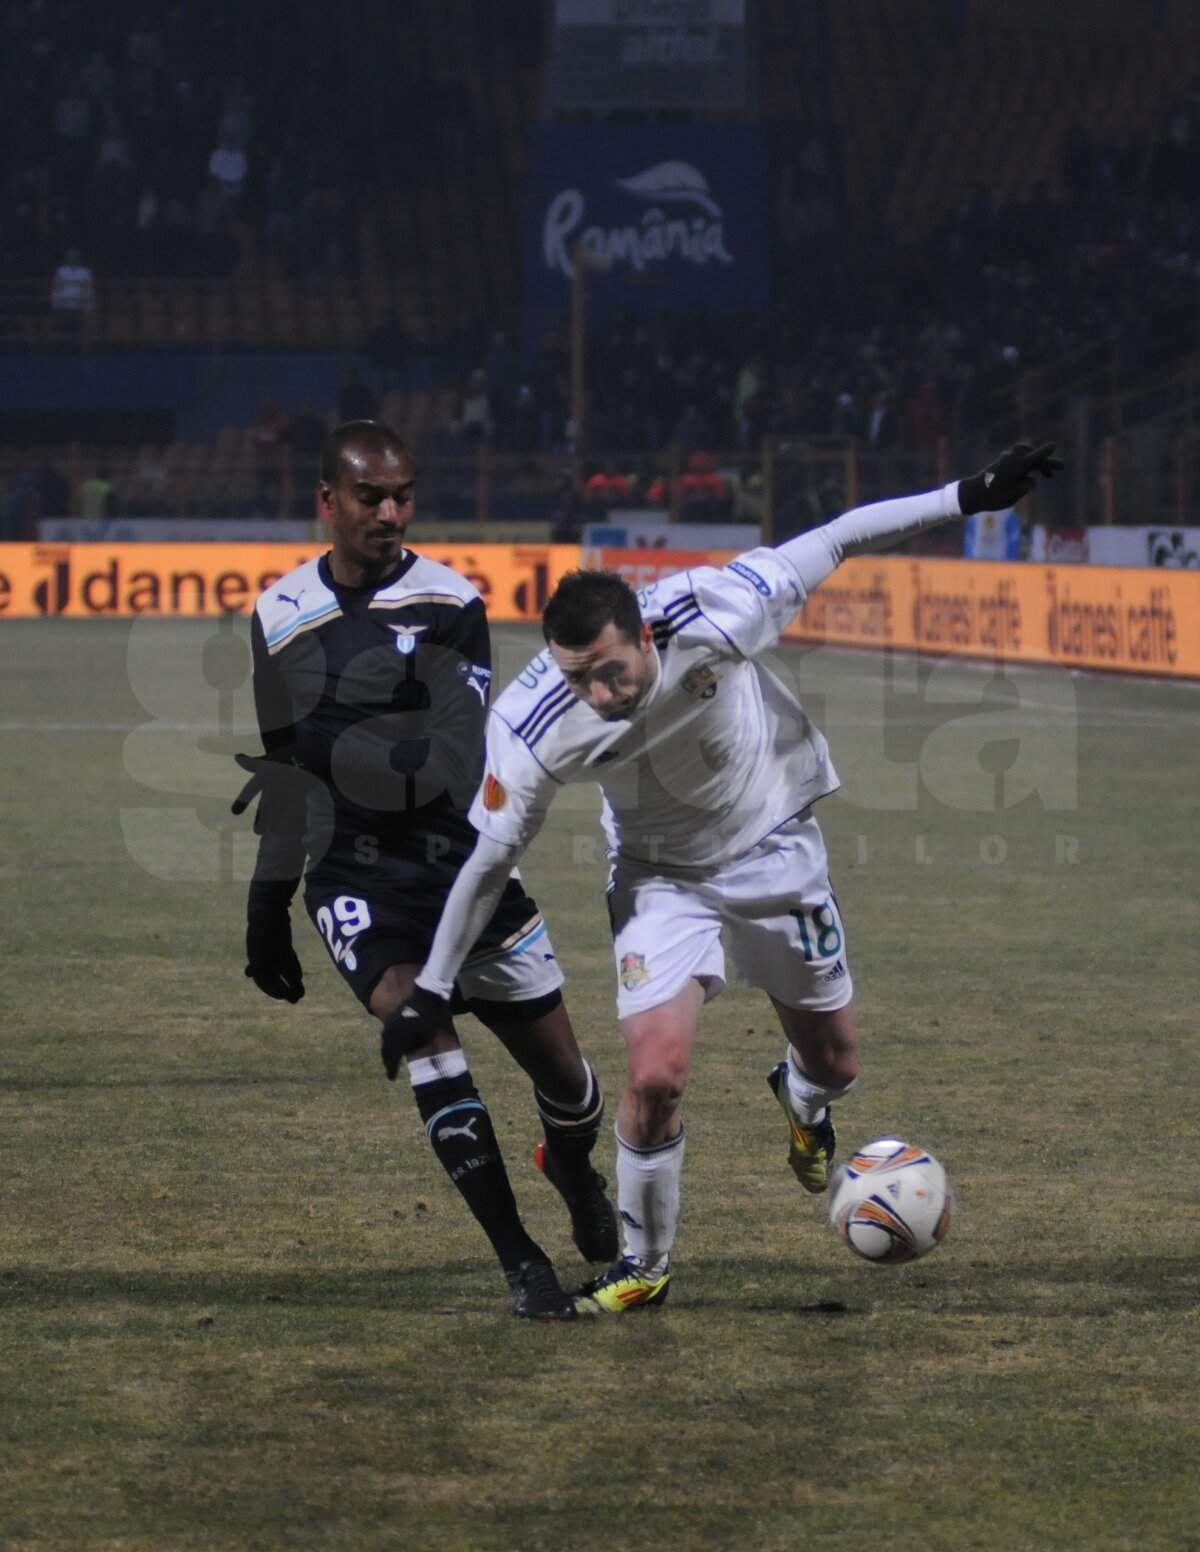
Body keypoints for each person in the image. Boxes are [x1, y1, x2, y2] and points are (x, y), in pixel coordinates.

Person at [385, 442, 1062, 1314]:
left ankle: (803, 1099)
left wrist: (967, 494)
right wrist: (433, 987)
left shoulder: (718, 607)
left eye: (609, 672)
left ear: (643, 634)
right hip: (661, 879)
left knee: (837, 1060)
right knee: (657, 1075)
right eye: (576, 679)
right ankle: (644, 1264)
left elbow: (841, 536)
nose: (596, 697)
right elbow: (489, 859)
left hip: (777, 847)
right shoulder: (533, 722)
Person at [232, 419, 616, 1321]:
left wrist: (342, 740)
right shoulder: (278, 617)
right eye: (373, 496)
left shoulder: (451, 601)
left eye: (404, 494)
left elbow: (447, 757)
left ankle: (572, 1165)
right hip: (353, 876)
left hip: (462, 868)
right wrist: (266, 904)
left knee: (567, 1083)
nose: (393, 511)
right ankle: (521, 1262)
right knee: (425, 1038)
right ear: (328, 501)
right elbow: (287, 769)